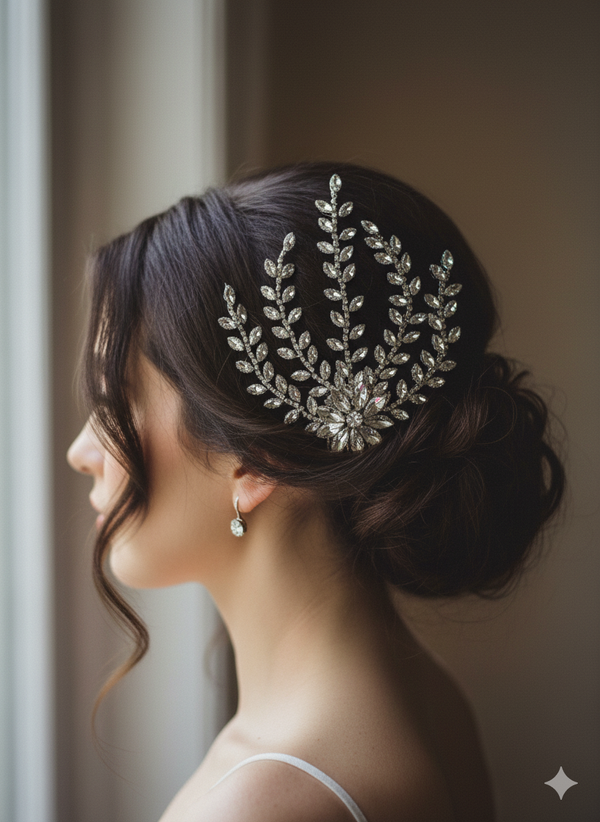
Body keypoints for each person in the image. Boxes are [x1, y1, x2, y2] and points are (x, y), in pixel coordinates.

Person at [67, 162, 564, 821]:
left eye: (114, 405)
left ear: (254, 461)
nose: (81, 453)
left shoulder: (269, 805)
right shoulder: (430, 698)